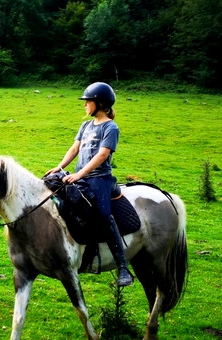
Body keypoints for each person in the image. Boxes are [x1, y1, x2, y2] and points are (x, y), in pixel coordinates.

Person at [45, 82, 133, 287]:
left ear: (100, 103)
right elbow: (74, 149)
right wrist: (59, 168)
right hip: (81, 176)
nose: (84, 105)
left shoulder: (111, 127)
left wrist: (79, 175)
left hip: (100, 179)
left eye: (88, 102)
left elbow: (103, 155)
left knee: (103, 214)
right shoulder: (85, 126)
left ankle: (122, 267)